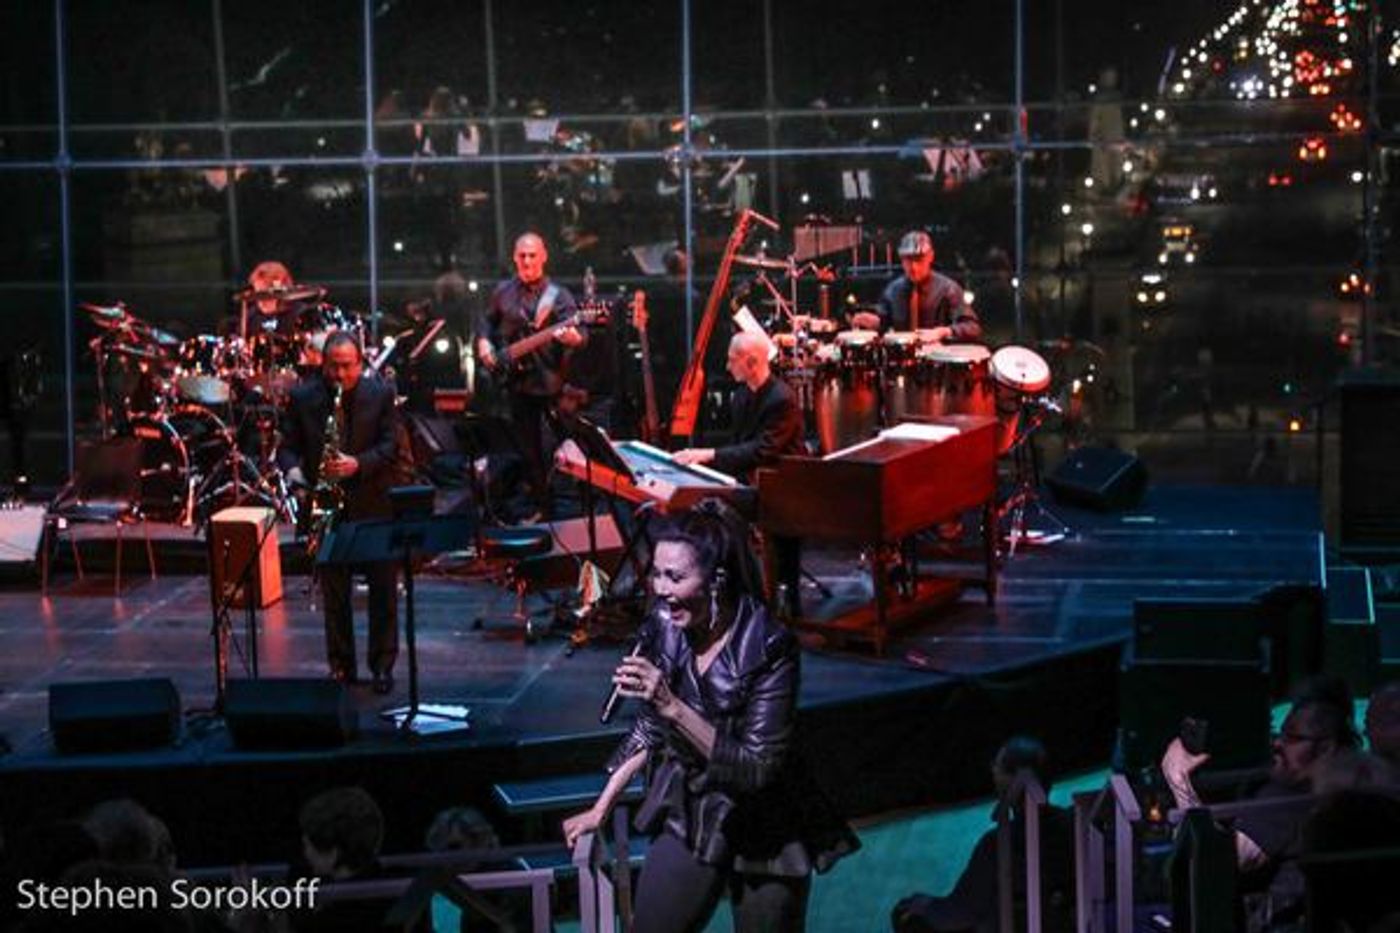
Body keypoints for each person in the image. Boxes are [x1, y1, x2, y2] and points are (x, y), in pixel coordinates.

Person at [561, 503, 857, 932]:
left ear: (716, 580)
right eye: (657, 574)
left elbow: (756, 767)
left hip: (765, 822)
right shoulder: (665, 625)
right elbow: (650, 726)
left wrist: (673, 706)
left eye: (675, 577)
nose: (661, 589)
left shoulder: (769, 645)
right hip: (695, 805)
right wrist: (600, 808)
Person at [279, 331, 402, 693]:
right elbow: (286, 447)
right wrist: (294, 472)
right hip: (326, 502)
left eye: (347, 366)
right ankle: (340, 667)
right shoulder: (303, 397)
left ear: (360, 364)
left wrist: (358, 464)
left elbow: (391, 446)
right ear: (323, 364)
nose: (340, 375)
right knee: (334, 594)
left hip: (373, 502)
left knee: (383, 590)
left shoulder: (381, 394)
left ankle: (382, 667)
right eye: (333, 366)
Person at [674, 331, 806, 617]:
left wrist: (710, 455)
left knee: (720, 511)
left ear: (752, 362)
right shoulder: (742, 396)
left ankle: (770, 596)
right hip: (754, 481)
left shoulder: (782, 399)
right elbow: (740, 446)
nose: (727, 366)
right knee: (705, 506)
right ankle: (735, 590)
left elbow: (764, 450)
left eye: (732, 359)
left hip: (784, 487)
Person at [891, 736, 1074, 933]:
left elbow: (960, 913)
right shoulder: (1074, 824)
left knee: (907, 916)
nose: (993, 770)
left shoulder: (998, 844)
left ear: (1014, 779)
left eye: (998, 766)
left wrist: (926, 906)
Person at [475, 232, 584, 520]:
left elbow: (580, 335)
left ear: (543, 257)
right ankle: (541, 508)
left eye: (532, 255)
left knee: (563, 449)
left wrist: (573, 337)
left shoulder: (558, 295)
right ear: (514, 257)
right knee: (528, 453)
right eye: (522, 255)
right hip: (516, 385)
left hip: (551, 385)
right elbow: (486, 321)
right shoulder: (502, 292)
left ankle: (574, 511)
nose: (526, 261)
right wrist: (484, 342)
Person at [852, 231, 981, 341]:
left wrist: (944, 332)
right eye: (908, 260)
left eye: (919, 259)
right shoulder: (893, 291)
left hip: (938, 356)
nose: (913, 267)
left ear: (930, 256)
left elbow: (972, 327)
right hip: (903, 357)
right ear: (901, 260)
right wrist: (873, 322)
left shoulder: (948, 289)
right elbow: (884, 323)